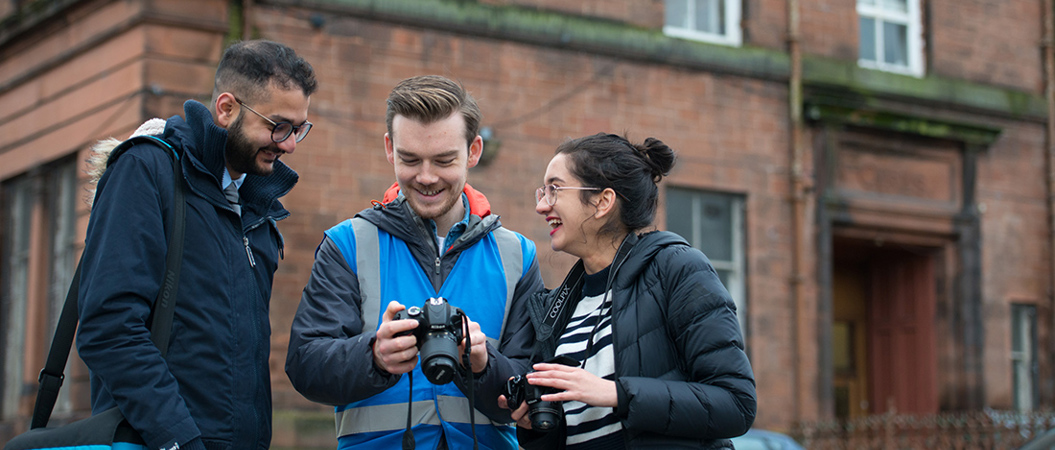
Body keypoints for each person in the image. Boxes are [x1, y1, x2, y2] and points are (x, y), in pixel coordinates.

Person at [76, 40, 317, 450]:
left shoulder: (256, 207)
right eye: (278, 126)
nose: (290, 144)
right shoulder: (146, 170)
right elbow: (109, 329)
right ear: (226, 109)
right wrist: (179, 441)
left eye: (298, 129)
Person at [285, 75, 545, 450]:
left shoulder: (519, 255)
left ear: (474, 151)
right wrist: (373, 356)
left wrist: (482, 365)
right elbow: (305, 365)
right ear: (389, 149)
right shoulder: (347, 244)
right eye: (410, 159)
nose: (426, 177)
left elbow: (528, 387)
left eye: (444, 160)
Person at [501, 133, 757, 449]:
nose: (542, 205)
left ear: (602, 202)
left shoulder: (676, 268)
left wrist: (616, 393)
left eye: (555, 189)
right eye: (542, 192)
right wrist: (534, 423)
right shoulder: (558, 308)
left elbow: (736, 403)